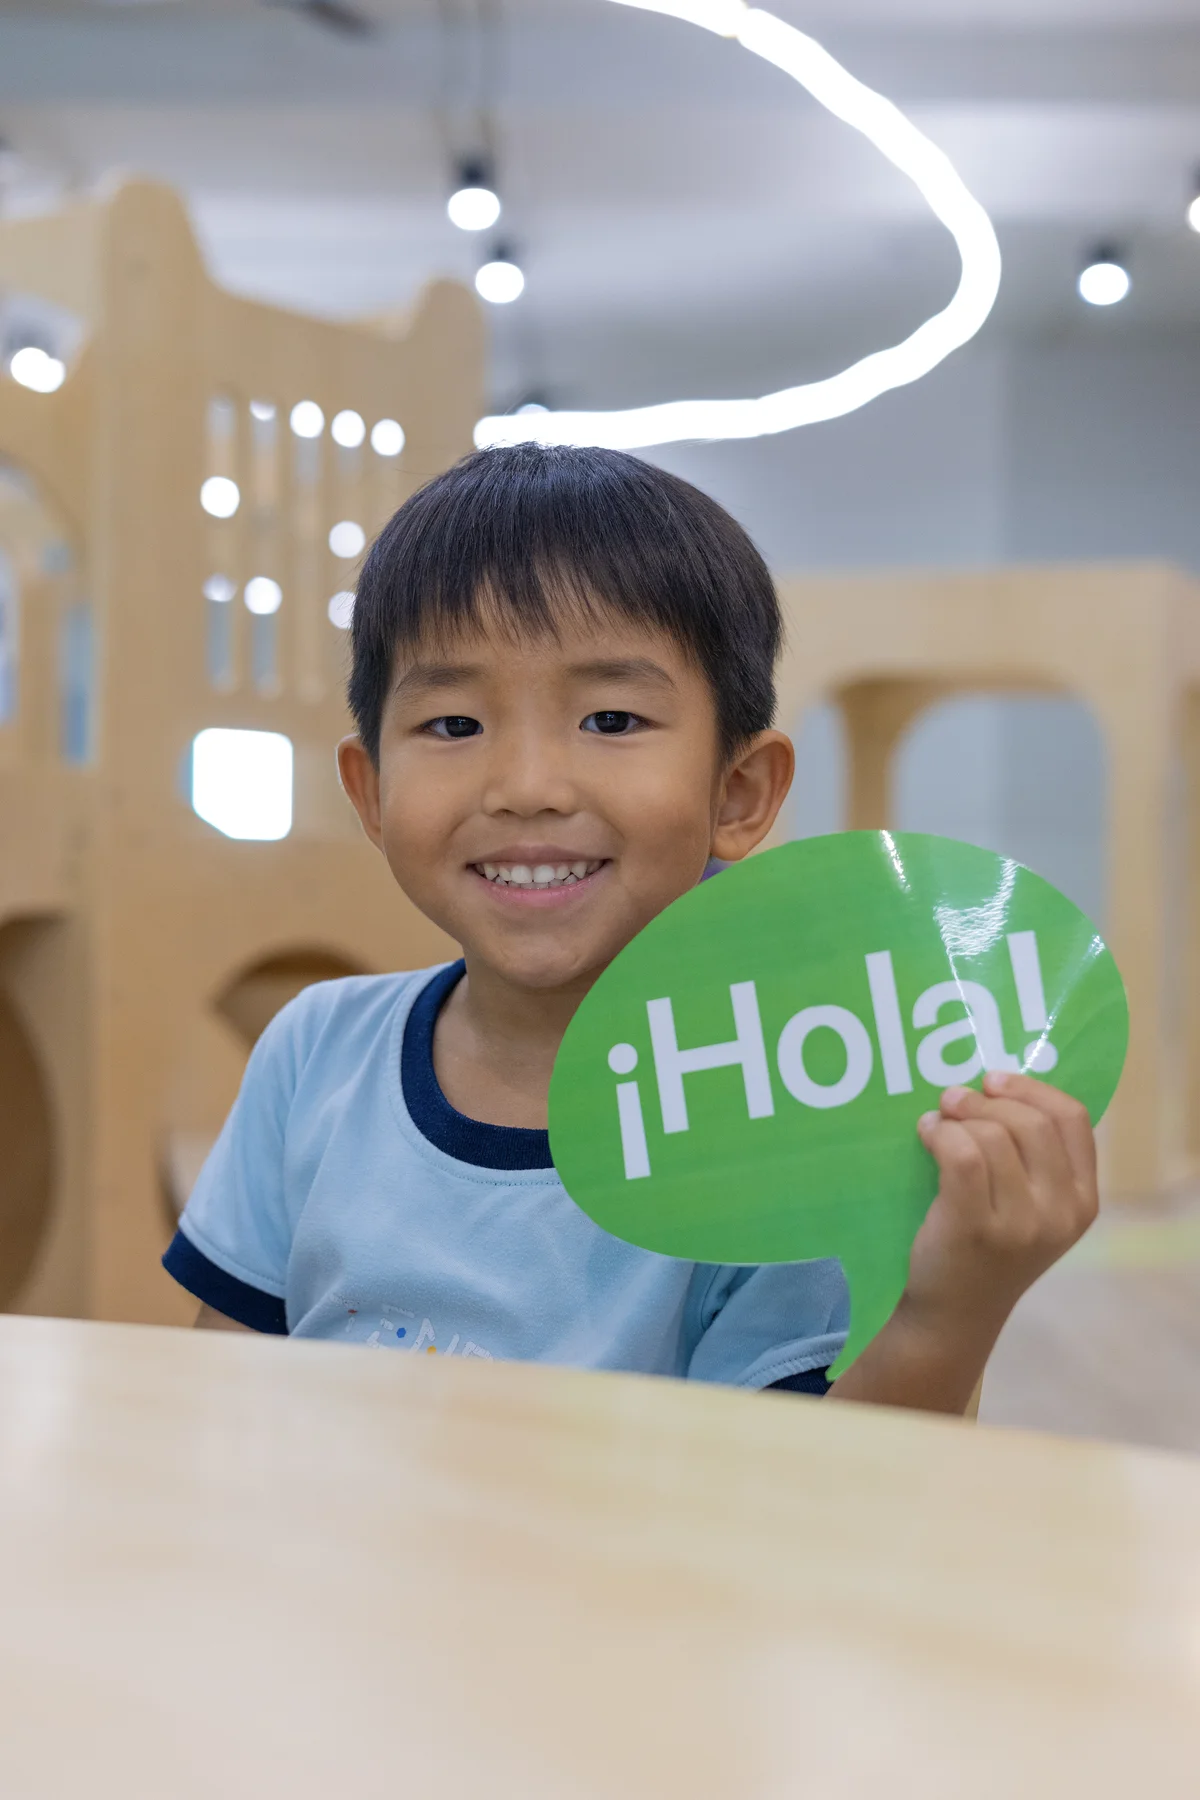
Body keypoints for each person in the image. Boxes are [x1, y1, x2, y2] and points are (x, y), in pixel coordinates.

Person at [164, 444, 1098, 1413]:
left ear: (738, 793)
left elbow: (810, 1487)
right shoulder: (313, 1053)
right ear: (370, 792)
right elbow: (222, 1407)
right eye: (453, 725)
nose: (527, 787)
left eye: (610, 720)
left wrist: (946, 1317)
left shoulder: (783, 1111)